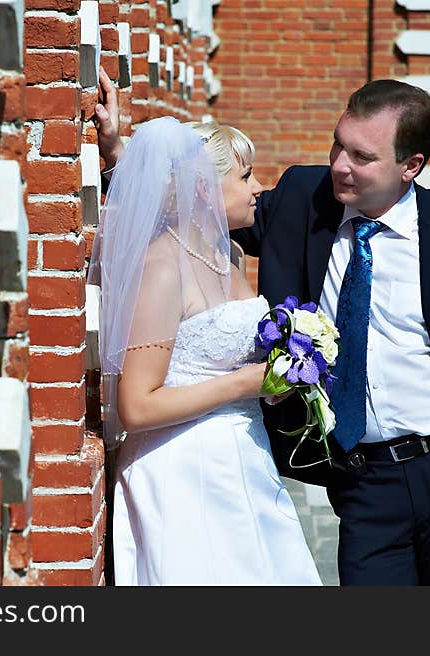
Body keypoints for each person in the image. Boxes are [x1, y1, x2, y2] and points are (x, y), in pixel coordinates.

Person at [95, 75, 430, 586]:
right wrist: (118, 155)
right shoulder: (300, 200)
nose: (340, 165)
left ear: (410, 165)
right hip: (362, 477)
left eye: (362, 156)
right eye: (338, 144)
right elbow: (190, 206)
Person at [88, 109, 321, 585]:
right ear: (202, 188)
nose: (259, 188)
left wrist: (275, 381)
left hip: (245, 458)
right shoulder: (162, 268)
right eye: (246, 176)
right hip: (184, 471)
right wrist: (246, 383)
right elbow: (135, 406)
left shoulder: (229, 252)